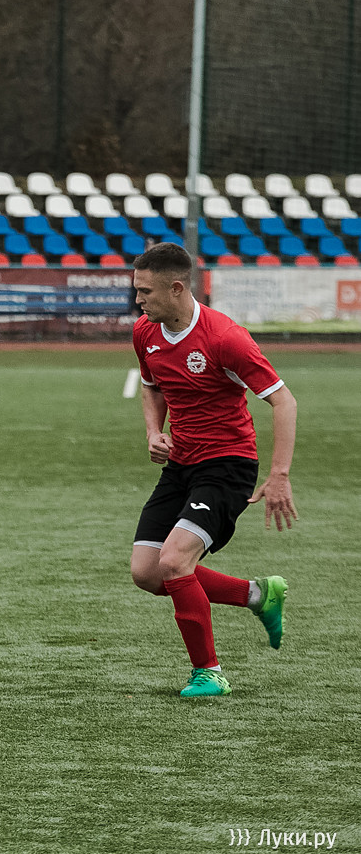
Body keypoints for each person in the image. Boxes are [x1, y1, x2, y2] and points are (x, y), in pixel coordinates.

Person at [129, 242, 296, 698]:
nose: (138, 300)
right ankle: (257, 594)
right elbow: (152, 387)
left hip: (227, 465)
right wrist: (154, 432)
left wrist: (279, 474)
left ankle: (209, 672)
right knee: (147, 572)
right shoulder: (145, 332)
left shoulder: (225, 338)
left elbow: (283, 400)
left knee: (174, 561)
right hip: (181, 464)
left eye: (145, 291)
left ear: (176, 288)